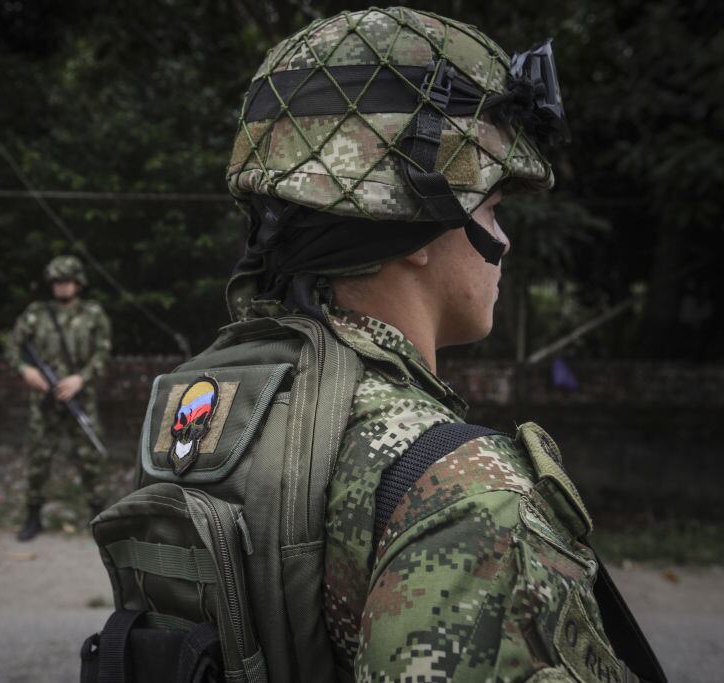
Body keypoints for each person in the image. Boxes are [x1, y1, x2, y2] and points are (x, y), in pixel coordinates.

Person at [222, 7, 662, 681]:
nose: (505, 241)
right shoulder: (465, 491)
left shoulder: (217, 411)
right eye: (492, 208)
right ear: (419, 218)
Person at [5, 255, 111, 542]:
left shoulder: (93, 314)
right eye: (57, 281)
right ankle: (32, 517)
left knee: (90, 457)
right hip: (45, 400)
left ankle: (98, 517)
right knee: (39, 456)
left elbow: (102, 354)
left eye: (67, 281)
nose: (62, 287)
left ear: (78, 283)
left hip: (80, 398)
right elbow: (12, 345)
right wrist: (25, 370)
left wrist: (81, 379)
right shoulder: (35, 314)